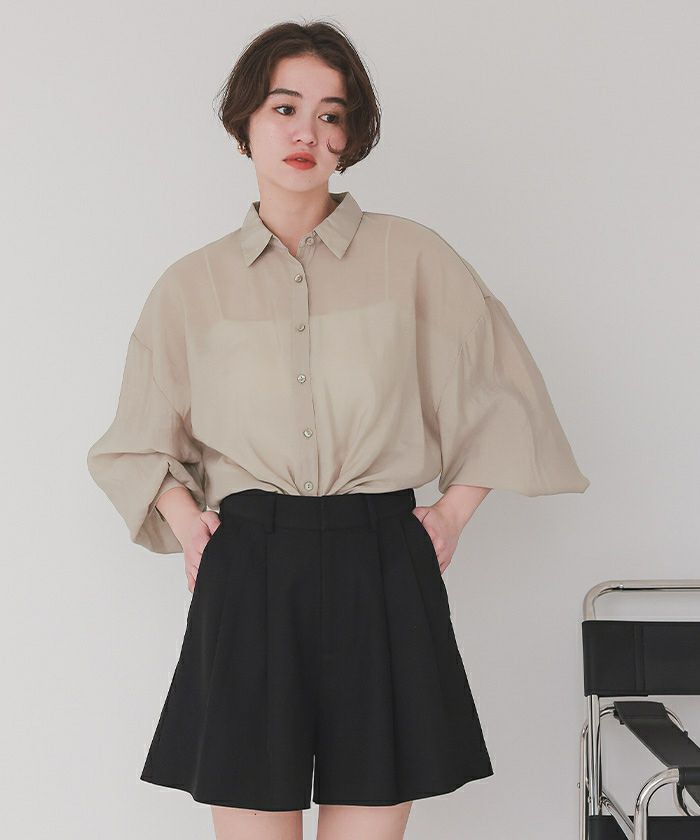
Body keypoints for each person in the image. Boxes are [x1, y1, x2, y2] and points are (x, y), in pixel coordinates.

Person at [86, 18, 590, 840]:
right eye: (285, 108)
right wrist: (187, 523)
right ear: (244, 122)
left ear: (351, 137)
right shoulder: (191, 286)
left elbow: (501, 390)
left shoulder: (413, 257)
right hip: (249, 570)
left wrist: (452, 514)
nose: (307, 133)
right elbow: (136, 438)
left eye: (331, 114)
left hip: (383, 563)